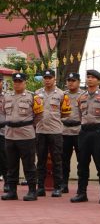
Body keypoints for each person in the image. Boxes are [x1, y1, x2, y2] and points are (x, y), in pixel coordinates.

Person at [70, 70, 100, 204]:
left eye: (93, 78)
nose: (89, 79)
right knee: (82, 164)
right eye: (88, 77)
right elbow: (79, 115)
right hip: (84, 132)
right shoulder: (81, 97)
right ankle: (81, 193)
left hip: (98, 133)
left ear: (99, 81)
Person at [1, 73, 43, 201]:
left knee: (29, 165)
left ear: (25, 82)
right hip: (10, 135)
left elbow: (39, 115)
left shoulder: (32, 96)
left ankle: (32, 191)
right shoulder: (7, 97)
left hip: (26, 135)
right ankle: (12, 191)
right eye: (15, 81)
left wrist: (29, 125)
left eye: (20, 81)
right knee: (11, 165)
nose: (17, 83)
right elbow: (4, 112)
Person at [34, 69, 71, 198]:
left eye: (50, 77)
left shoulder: (61, 94)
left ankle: (57, 188)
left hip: (55, 131)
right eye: (45, 77)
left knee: (57, 160)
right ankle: (40, 187)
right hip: (40, 130)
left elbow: (66, 113)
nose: (47, 80)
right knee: (41, 160)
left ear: (54, 79)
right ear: (43, 79)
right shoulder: (37, 94)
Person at [61, 72, 85, 194]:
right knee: (64, 160)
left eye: (73, 80)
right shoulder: (62, 95)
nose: (70, 82)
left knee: (82, 160)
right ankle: (63, 184)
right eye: (69, 80)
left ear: (79, 82)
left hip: (79, 131)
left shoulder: (84, 95)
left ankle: (81, 186)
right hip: (65, 130)